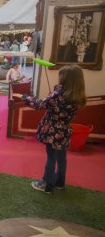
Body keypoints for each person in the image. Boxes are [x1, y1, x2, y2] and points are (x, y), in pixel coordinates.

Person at [12, 65, 86, 194]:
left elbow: (39, 104)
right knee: (62, 157)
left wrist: (23, 97)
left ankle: (47, 185)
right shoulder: (77, 95)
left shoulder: (57, 94)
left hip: (53, 130)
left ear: (65, 79)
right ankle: (60, 182)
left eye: (60, 76)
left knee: (51, 157)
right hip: (65, 130)